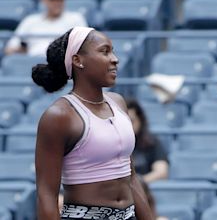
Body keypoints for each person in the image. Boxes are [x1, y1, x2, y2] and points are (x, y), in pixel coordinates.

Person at [33, 26, 153, 219]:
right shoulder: (58, 116)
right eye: (104, 51)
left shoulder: (119, 102)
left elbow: (131, 176)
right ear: (78, 60)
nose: (115, 59)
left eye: (113, 51)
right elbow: (46, 195)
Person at [5, 0, 87, 56]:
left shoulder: (76, 19)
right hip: (34, 64)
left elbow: (86, 47)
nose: (57, 2)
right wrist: (22, 50)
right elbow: (10, 48)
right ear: (44, 0)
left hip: (63, 65)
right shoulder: (30, 20)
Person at [126, 98, 169, 183]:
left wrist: (137, 184)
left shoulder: (152, 143)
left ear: (140, 120)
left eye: (132, 121)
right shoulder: (112, 145)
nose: (127, 125)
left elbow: (161, 172)